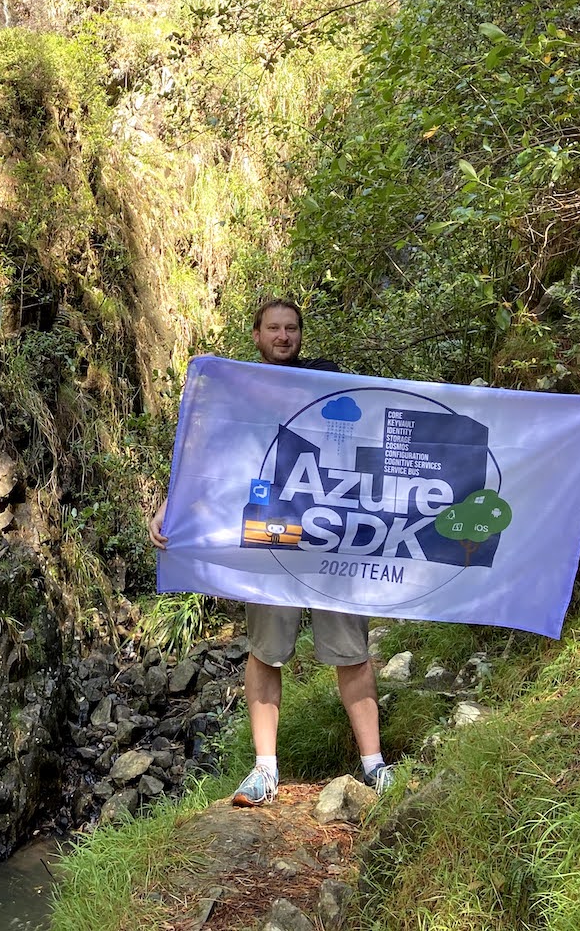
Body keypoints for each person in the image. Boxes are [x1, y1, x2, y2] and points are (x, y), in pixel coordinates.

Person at [150, 297, 392, 805]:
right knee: (266, 651)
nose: (283, 336)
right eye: (274, 328)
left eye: (292, 328)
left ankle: (375, 765)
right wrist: (170, 507)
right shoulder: (237, 392)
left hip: (331, 539)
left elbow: (377, 424)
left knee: (351, 650)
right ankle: (265, 770)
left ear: (300, 335)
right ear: (257, 335)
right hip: (268, 541)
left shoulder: (328, 380)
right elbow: (205, 456)